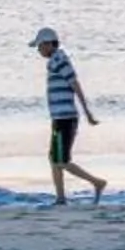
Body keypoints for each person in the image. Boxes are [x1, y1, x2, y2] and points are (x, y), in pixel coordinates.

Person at [32, 26, 108, 203]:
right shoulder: (54, 61)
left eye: (40, 46)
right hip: (59, 118)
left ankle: (97, 182)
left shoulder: (60, 60)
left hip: (66, 118)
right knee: (54, 159)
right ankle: (60, 198)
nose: (39, 50)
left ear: (50, 44)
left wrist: (87, 112)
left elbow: (75, 84)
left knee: (61, 160)